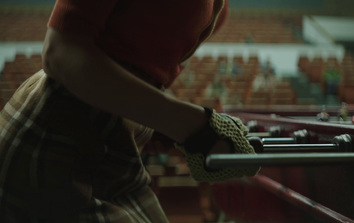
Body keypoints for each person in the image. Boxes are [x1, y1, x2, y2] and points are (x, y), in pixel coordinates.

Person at [0, 0, 259, 222]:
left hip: (114, 148)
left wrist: (150, 123)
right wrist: (189, 126)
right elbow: (60, 53)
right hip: (57, 141)